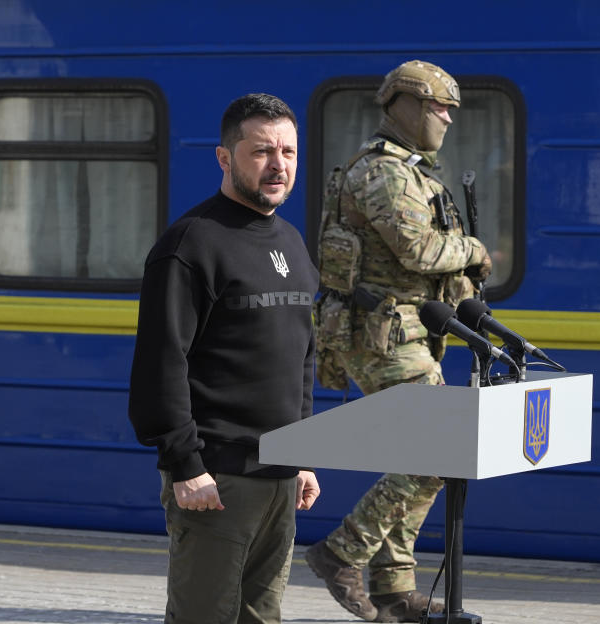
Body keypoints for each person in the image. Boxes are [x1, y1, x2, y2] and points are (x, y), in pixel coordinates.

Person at [306, 60, 492, 623]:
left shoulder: (417, 172)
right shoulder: (385, 173)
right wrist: (474, 249)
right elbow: (417, 249)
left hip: (408, 330)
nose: (447, 119)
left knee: (429, 455)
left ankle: (394, 588)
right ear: (406, 107)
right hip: (379, 334)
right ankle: (343, 552)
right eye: (439, 108)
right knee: (438, 449)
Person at [128, 93, 321, 624]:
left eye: (288, 151)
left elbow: (301, 356)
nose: (278, 164)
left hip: (279, 477)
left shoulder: (292, 242)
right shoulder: (191, 245)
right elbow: (160, 363)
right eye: (261, 151)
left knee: (262, 616)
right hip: (216, 479)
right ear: (224, 157)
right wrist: (185, 464)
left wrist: (302, 453)